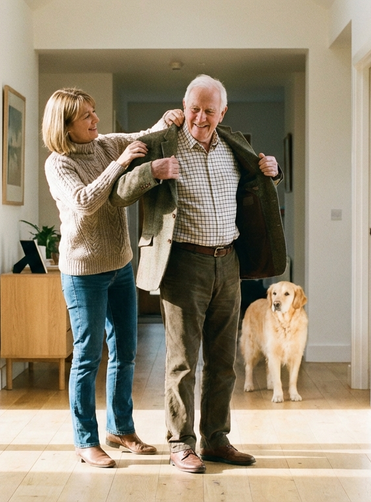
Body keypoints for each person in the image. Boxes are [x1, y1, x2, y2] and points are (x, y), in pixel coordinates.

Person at [110, 75, 286, 474]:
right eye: (194, 108)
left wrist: (273, 173)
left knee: (224, 361)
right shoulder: (161, 143)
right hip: (182, 264)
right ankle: (180, 443)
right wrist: (151, 171)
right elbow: (120, 192)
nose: (200, 117)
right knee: (183, 362)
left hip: (229, 263)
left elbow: (258, 186)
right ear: (183, 105)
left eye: (209, 110)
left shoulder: (235, 145)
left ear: (222, 112)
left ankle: (216, 440)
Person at [41, 88, 183, 469]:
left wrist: (168, 120)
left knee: (125, 351)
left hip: (120, 264)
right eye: (86, 116)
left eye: (94, 112)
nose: (95, 121)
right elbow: (86, 202)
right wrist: (119, 164)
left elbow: (144, 136)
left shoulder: (104, 144)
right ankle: (85, 441)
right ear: (66, 125)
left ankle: (120, 429)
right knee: (87, 356)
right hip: (83, 272)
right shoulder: (58, 163)